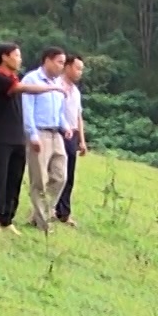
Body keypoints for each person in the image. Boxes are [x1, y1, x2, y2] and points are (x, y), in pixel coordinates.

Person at [0, 43, 59, 231]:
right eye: (16, 55)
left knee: (15, 179)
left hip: (18, 136)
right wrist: (49, 89)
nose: (20, 59)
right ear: (4, 57)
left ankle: (8, 218)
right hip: (2, 137)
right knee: (0, 177)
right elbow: (22, 89)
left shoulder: (13, 79)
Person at [20, 47, 70, 231]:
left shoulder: (59, 84)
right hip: (39, 133)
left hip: (56, 133)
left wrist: (65, 127)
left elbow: (59, 111)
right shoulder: (32, 80)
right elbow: (28, 109)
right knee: (39, 179)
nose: (62, 67)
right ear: (47, 60)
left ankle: (39, 214)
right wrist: (32, 135)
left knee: (60, 176)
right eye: (59, 62)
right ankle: (43, 223)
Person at [55, 54, 87, 227]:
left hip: (72, 135)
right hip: (59, 132)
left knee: (69, 175)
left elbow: (78, 116)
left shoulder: (75, 91)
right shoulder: (57, 85)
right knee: (57, 173)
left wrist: (82, 140)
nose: (79, 72)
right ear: (67, 67)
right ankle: (51, 208)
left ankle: (64, 212)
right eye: (77, 68)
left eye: (81, 69)